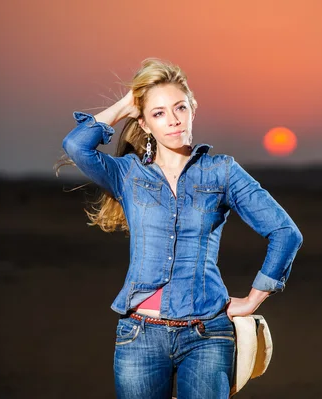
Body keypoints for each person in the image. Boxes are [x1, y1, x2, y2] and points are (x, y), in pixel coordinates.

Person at [57, 58, 303, 399]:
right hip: (138, 336)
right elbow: (75, 145)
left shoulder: (222, 172)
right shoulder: (127, 174)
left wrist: (252, 300)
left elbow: (285, 232)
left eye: (179, 107)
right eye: (158, 113)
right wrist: (129, 103)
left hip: (207, 336)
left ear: (192, 109)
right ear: (143, 123)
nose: (172, 120)